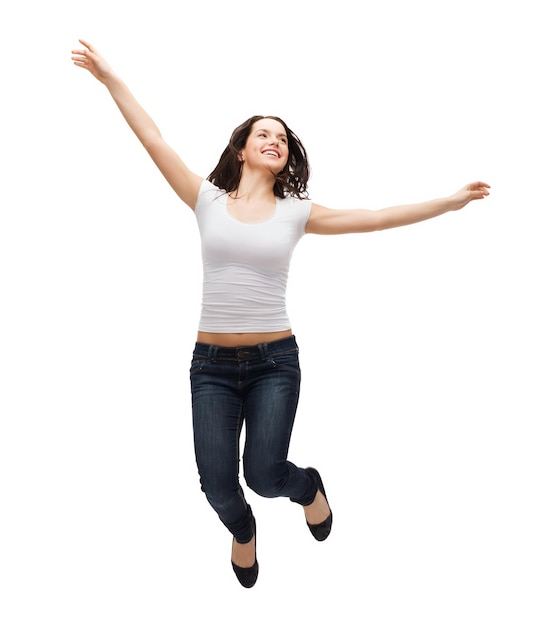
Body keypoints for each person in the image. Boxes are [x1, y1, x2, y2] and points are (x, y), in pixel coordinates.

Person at [71, 39, 490, 588]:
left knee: (266, 475)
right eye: (262, 133)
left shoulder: (298, 213)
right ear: (242, 149)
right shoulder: (206, 199)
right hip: (212, 368)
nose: (275, 140)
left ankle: (309, 488)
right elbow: (152, 135)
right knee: (218, 485)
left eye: (282, 137)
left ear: (287, 156)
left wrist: (448, 201)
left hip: (274, 363)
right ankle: (242, 533)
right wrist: (110, 78)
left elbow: (378, 216)